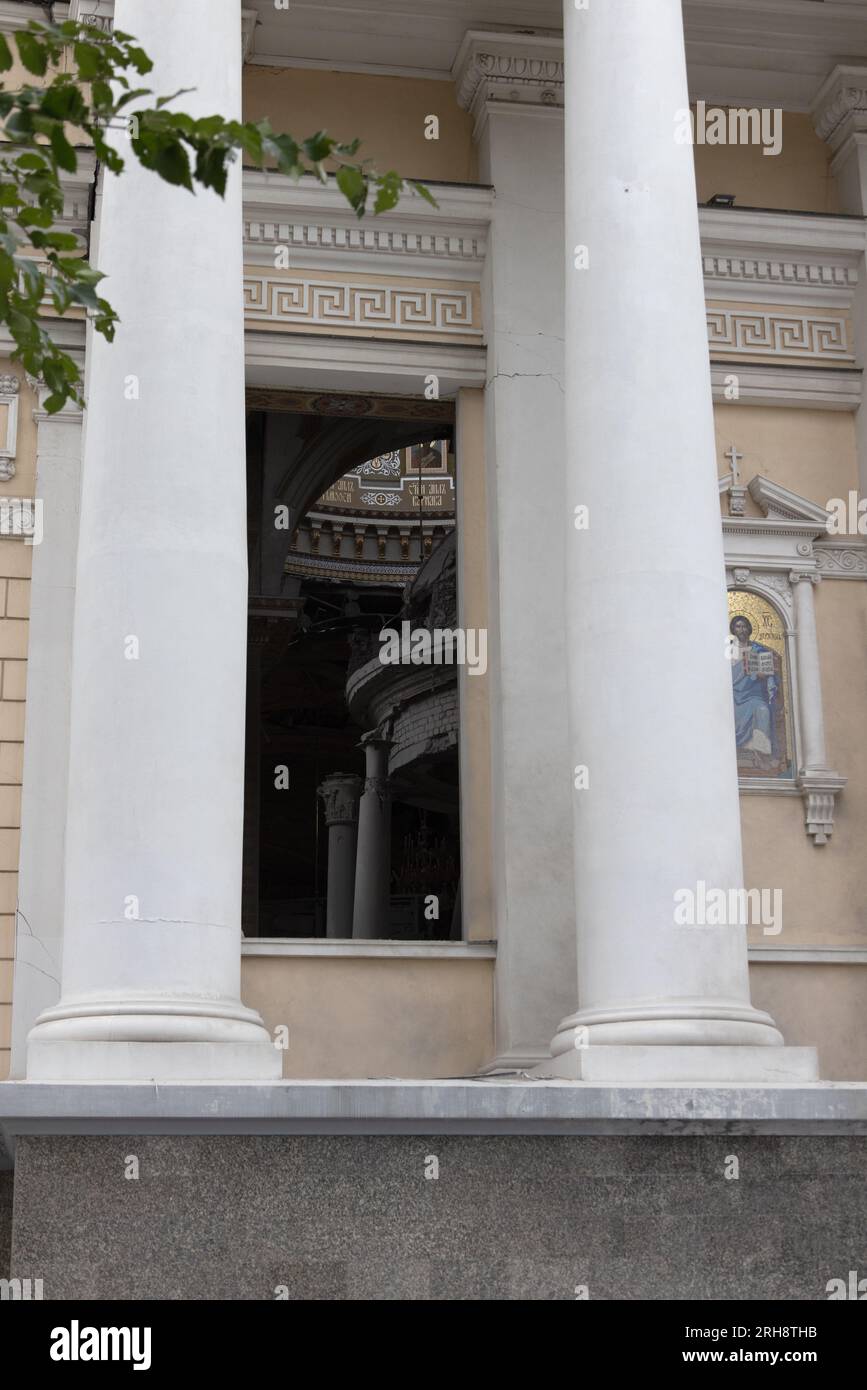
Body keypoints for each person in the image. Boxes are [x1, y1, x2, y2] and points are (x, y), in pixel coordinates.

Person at [729, 614, 778, 769]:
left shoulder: (758, 649)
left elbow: (769, 673)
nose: (741, 630)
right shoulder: (729, 651)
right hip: (732, 695)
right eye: (738, 626)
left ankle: (761, 756)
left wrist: (766, 675)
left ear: (749, 628)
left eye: (744, 626)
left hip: (753, 695)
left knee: (763, 710)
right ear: (733, 630)